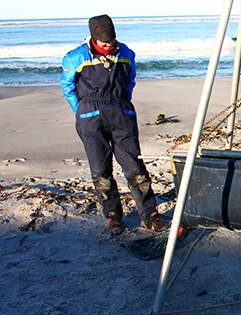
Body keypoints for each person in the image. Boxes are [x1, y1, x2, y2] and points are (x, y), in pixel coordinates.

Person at [61, 15, 166, 235]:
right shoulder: (75, 57)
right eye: (103, 42)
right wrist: (81, 111)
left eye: (111, 40)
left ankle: (150, 216)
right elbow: (67, 85)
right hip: (91, 118)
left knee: (136, 169)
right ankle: (114, 217)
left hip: (122, 115)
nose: (108, 45)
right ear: (93, 38)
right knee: (101, 172)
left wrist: (122, 102)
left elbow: (131, 79)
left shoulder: (126, 53)